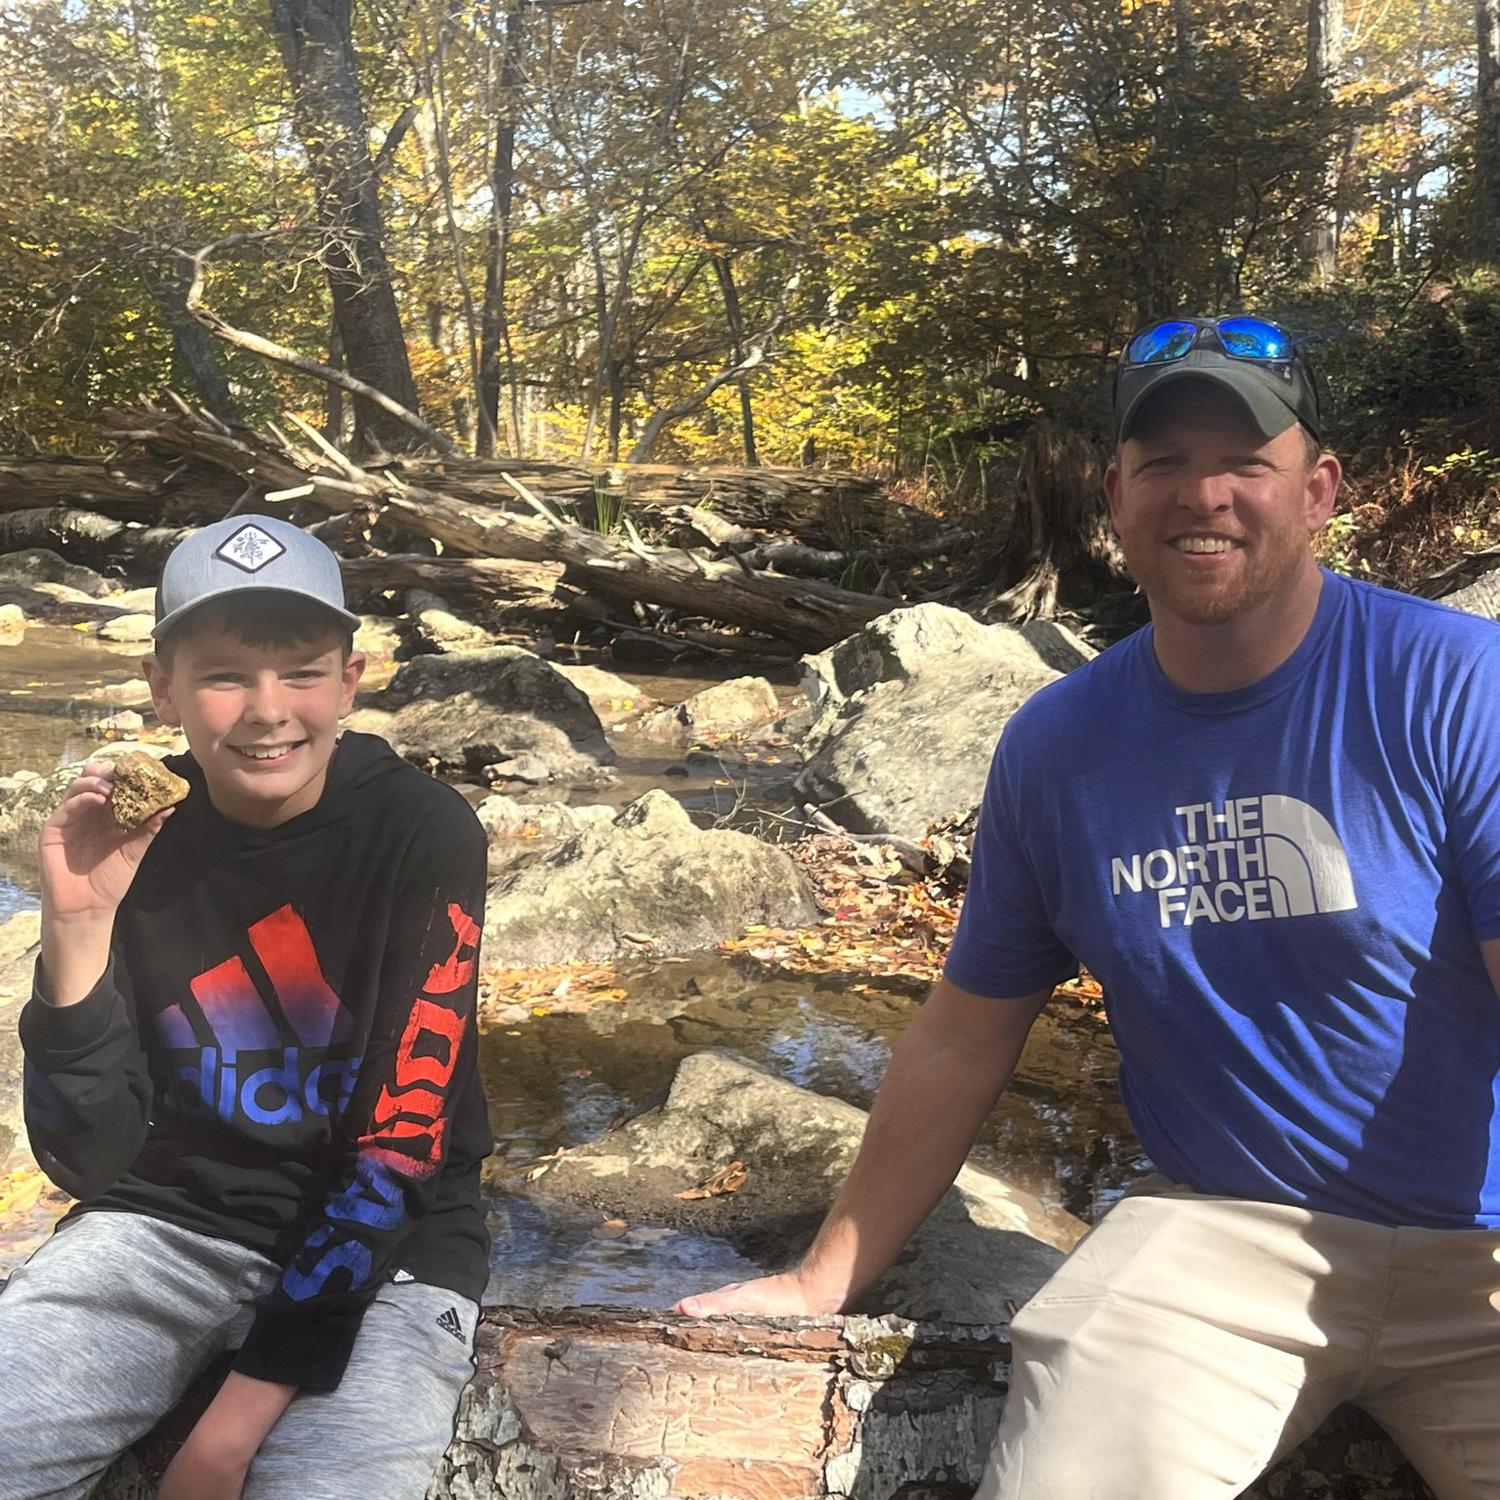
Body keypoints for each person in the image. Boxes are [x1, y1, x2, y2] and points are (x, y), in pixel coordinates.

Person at [678, 316, 1500, 1498]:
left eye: (1246, 463)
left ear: (1318, 491)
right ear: (1114, 496)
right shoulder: (1059, 747)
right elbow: (964, 1034)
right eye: (1163, 464)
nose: (1202, 496)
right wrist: (823, 1280)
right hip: (1225, 1240)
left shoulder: (1454, 685)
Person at [0, 515, 491, 1500]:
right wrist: (79, 925)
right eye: (226, 675)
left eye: (301, 672)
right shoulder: (137, 833)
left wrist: (231, 1429)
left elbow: (397, 1152)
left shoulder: (421, 833)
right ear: (161, 685)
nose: (269, 710)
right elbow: (84, 1161)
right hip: (164, 1224)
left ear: (351, 678)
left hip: (391, 1253)